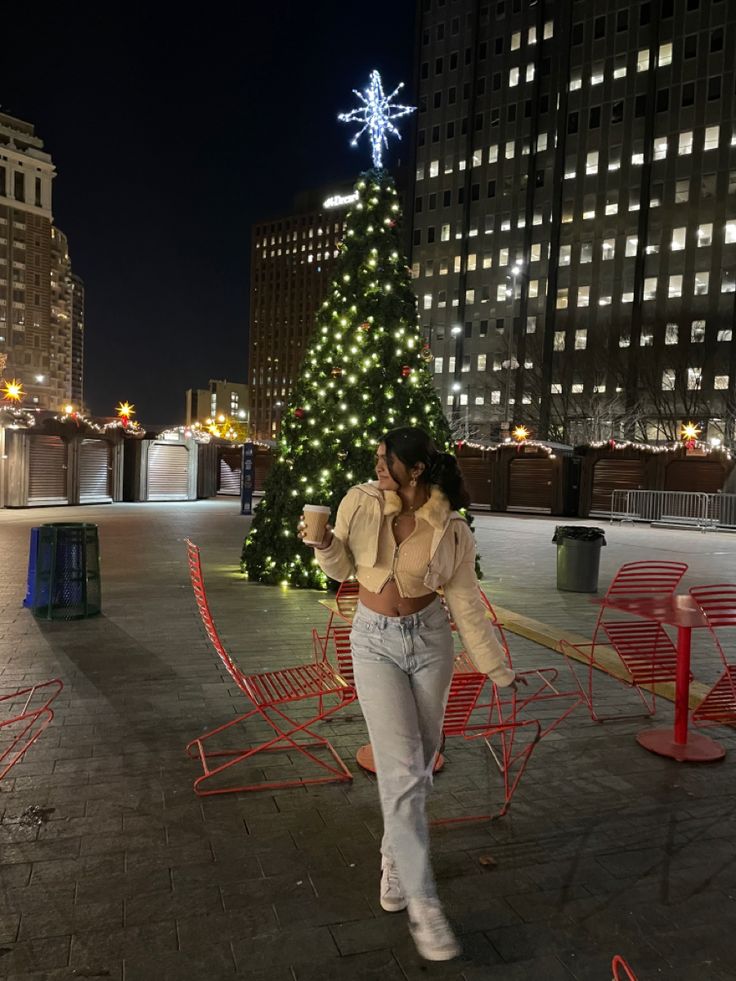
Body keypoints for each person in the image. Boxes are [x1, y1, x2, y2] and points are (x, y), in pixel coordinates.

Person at [298, 426, 522, 962]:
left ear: (415, 469)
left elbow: (465, 602)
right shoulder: (360, 502)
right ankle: (425, 906)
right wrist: (324, 543)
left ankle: (395, 858)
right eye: (377, 458)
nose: (378, 467)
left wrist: (496, 667)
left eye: (386, 460)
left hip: (430, 644)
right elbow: (342, 570)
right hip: (373, 644)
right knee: (401, 772)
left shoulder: (451, 529)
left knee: (417, 768)